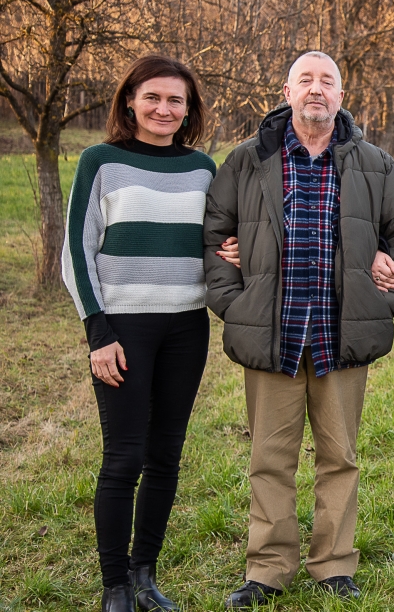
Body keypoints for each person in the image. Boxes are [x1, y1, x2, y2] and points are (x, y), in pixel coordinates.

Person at [203, 51, 394, 608]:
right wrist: (236, 303)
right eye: (306, 80)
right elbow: (215, 233)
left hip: (340, 335)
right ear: (286, 91)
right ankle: (268, 570)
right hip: (271, 334)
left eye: (327, 81)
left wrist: (389, 288)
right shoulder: (248, 161)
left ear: (341, 95)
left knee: (340, 458)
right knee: (269, 459)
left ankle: (333, 565)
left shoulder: (373, 163)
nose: (316, 90)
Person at [61, 55, 214, 612]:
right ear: (130, 100)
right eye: (152, 97)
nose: (164, 109)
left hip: (186, 328)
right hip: (123, 327)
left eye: (177, 100)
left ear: (189, 109)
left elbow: (215, 241)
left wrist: (232, 254)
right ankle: (115, 586)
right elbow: (77, 250)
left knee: (165, 456)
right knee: (123, 457)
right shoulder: (100, 161)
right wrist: (97, 332)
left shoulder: (202, 167)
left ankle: (146, 575)